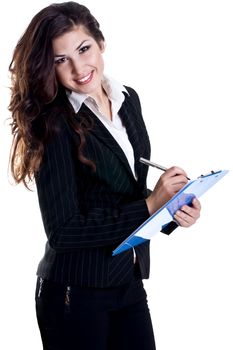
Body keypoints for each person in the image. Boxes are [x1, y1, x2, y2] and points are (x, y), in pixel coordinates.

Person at [8, 2, 201, 349]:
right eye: (60, 59)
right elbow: (63, 230)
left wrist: (171, 211)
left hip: (127, 279)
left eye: (84, 49)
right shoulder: (53, 123)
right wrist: (149, 205)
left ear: (101, 43)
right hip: (74, 293)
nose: (79, 67)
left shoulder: (129, 100)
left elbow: (127, 190)